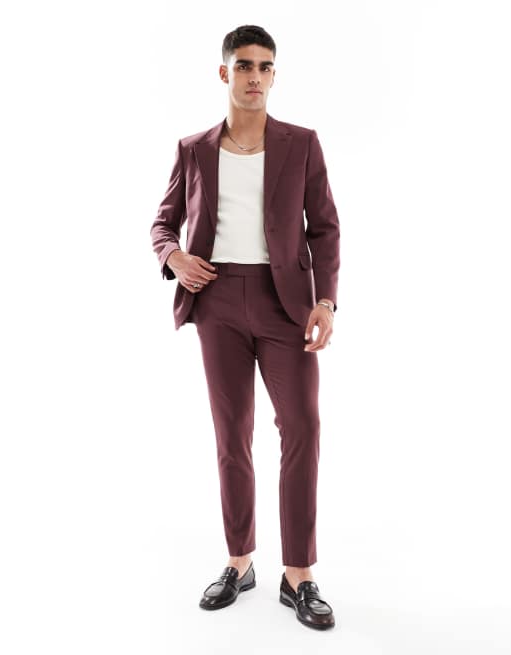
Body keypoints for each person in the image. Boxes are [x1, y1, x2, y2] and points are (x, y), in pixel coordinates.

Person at [150, 24, 340, 630]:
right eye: (244, 65)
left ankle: (298, 574)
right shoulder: (193, 148)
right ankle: (240, 562)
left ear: (274, 75)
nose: (254, 76)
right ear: (224, 72)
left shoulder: (302, 143)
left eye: (264, 67)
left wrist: (326, 301)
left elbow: (324, 228)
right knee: (232, 436)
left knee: (302, 427)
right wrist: (174, 257)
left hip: (286, 305)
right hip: (216, 303)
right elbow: (163, 222)